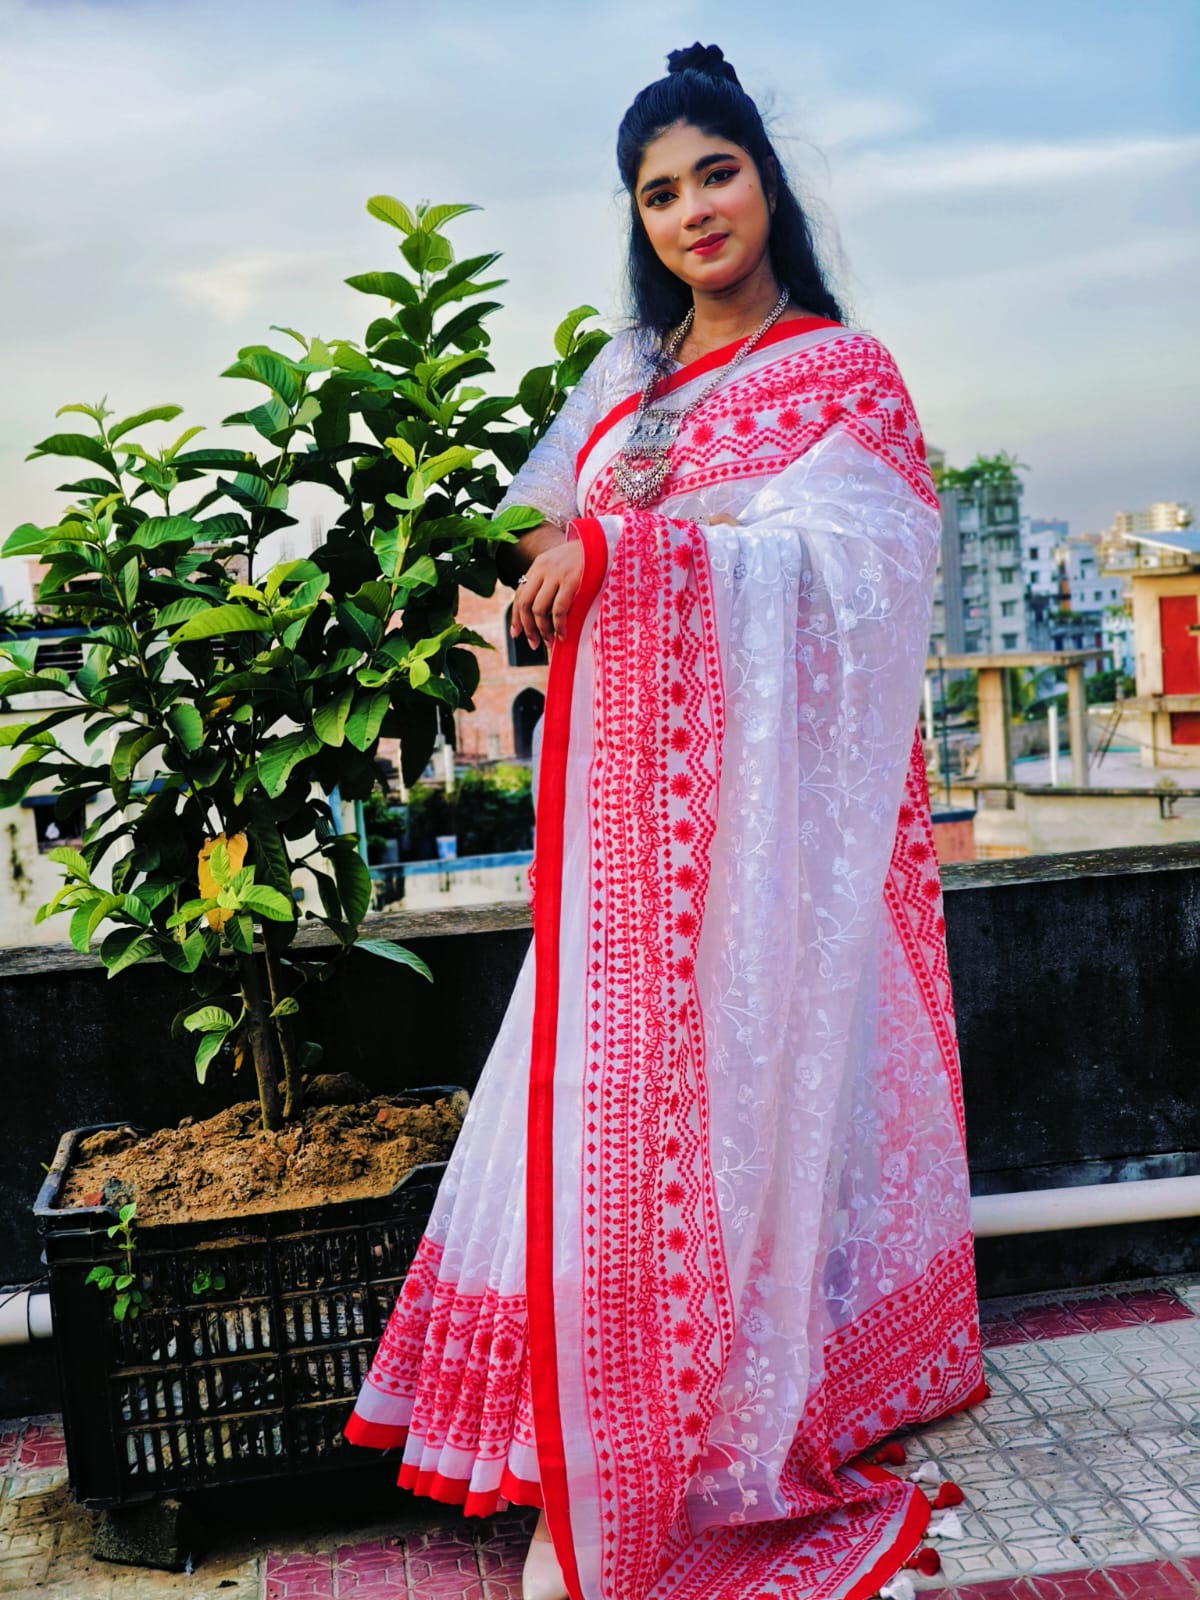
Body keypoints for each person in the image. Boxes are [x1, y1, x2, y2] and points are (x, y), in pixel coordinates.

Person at [346, 42, 987, 1600]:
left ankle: (714, 1419)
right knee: (600, 1113)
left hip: (759, 850)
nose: (695, 211)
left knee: (746, 1112)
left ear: (764, 181)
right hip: (620, 837)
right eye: (660, 192)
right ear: (638, 220)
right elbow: (536, 513)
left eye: (717, 173)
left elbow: (867, 587)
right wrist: (581, 534)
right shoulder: (629, 374)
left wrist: (641, 557)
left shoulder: (845, 375)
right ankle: (582, 1420)